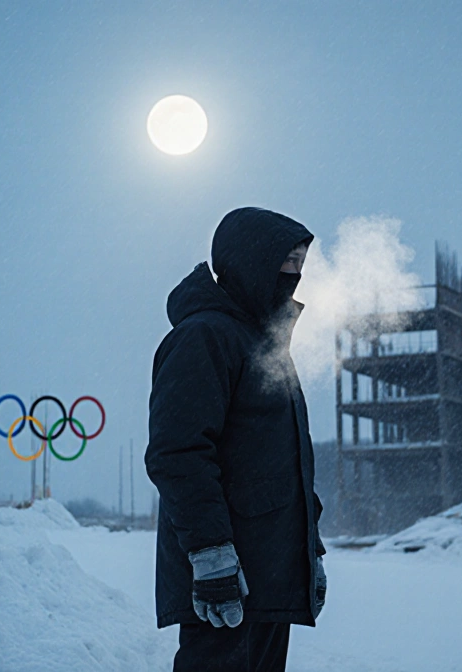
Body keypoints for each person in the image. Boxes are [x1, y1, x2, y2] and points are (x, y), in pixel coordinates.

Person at [145, 207, 326, 672]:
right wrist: (210, 555)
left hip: (268, 574)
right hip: (228, 574)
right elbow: (177, 453)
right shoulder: (205, 337)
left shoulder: (264, 346)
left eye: (300, 260)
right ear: (251, 260)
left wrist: (310, 552)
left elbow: (285, 461)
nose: (295, 273)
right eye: (286, 259)